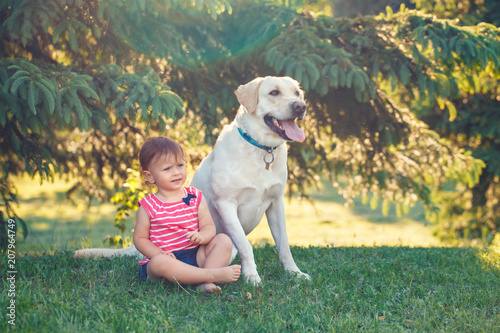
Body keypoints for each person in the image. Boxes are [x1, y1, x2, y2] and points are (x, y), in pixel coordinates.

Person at [133, 137, 241, 293]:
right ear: (150, 176)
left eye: (180, 165)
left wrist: (203, 236)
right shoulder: (148, 205)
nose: (176, 172)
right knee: (159, 263)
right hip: (167, 262)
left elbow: (208, 226)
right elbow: (140, 239)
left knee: (223, 240)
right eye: (167, 169)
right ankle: (210, 275)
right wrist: (158, 253)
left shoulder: (195, 197)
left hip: (194, 256)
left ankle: (203, 283)